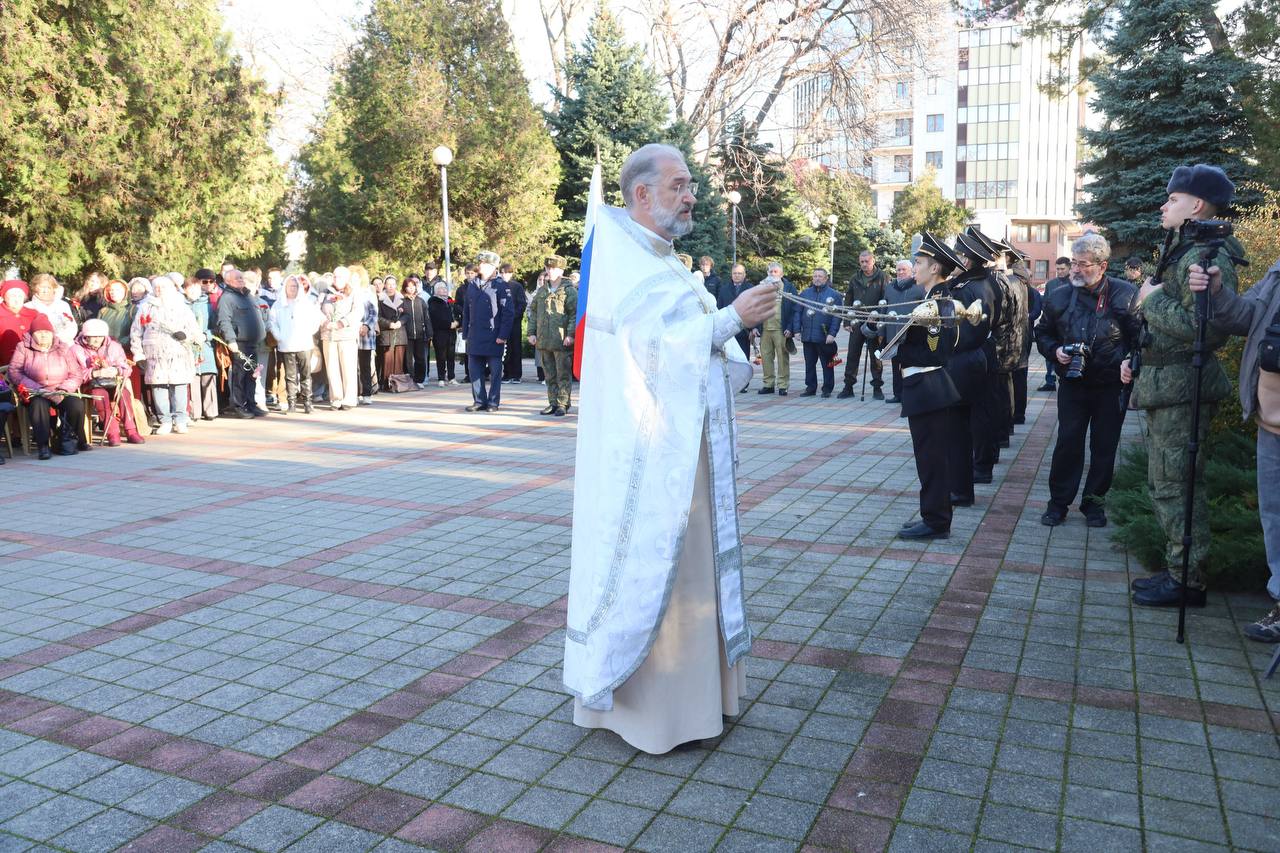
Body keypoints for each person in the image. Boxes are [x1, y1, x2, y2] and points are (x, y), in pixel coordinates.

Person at [565, 142, 775, 753]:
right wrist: (733, 317)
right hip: (649, 457)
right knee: (664, 568)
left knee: (695, 570)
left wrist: (726, 323)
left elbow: (688, 340)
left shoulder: (661, 260)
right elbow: (654, 352)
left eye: (689, 185)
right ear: (641, 194)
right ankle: (657, 714)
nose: (691, 196)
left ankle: (702, 699)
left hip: (684, 447)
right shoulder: (627, 265)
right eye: (679, 185)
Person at [1128, 164, 1247, 608]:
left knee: (1178, 484)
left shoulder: (1209, 257)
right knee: (1166, 482)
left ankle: (1187, 580)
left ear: (1195, 205)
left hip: (1185, 386)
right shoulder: (1182, 249)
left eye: (1172, 199)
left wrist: (1150, 300)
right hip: (1167, 383)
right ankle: (1178, 570)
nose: (1164, 205)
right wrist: (1136, 360)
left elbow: (1208, 328)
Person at [1190, 254, 1280, 640]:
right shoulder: (1279, 270)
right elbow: (1245, 317)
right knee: (1275, 516)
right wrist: (1216, 290)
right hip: (1272, 418)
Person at [1035, 233, 1141, 527]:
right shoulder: (1058, 295)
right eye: (1073, 264)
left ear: (1102, 266)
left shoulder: (1125, 294)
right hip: (1073, 383)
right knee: (1068, 443)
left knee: (1104, 446)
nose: (1076, 270)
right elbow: (1042, 333)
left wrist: (1130, 361)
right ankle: (1058, 504)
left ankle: (1094, 504)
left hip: (1111, 386)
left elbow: (1141, 339)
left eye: (1083, 265)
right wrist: (1056, 351)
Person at [894, 233, 965, 539]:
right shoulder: (930, 299)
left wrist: (902, 349)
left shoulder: (939, 302)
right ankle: (931, 513)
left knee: (933, 458)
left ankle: (937, 521)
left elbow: (938, 350)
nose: (914, 266)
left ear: (935, 267)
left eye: (919, 262)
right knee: (928, 457)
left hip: (929, 386)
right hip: (923, 386)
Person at [947, 232, 999, 504]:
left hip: (967, 356)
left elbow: (963, 332)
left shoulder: (966, 287)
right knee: (980, 415)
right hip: (984, 352)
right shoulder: (988, 282)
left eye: (957, 256)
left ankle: (966, 483)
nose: (953, 260)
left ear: (966, 260)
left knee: (964, 423)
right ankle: (980, 468)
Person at [9, 313, 89, 458]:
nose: (44, 336)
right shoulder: (23, 347)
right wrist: (38, 389)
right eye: (39, 333)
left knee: (76, 405)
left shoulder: (62, 348)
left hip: (60, 389)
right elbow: (14, 372)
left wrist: (64, 388)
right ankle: (43, 445)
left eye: (47, 332)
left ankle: (66, 438)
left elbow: (76, 374)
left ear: (52, 334)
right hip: (36, 392)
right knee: (38, 405)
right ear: (32, 334)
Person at [131, 275, 202, 435]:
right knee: (159, 387)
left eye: (163, 287)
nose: (160, 290)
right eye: (157, 287)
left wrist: (186, 335)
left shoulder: (181, 306)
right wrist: (139, 354)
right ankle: (165, 420)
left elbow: (194, 329)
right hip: (154, 354)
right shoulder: (146, 307)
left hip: (178, 353)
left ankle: (181, 419)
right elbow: (136, 332)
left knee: (179, 386)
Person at [73, 318, 144, 446]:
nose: (97, 340)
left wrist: (116, 371)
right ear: (85, 337)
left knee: (124, 393)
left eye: (100, 336)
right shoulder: (76, 349)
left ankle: (131, 430)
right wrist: (95, 373)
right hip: (91, 384)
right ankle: (112, 432)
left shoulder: (114, 346)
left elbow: (126, 367)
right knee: (101, 396)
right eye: (92, 337)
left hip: (113, 381)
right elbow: (75, 374)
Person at [461, 251, 513, 412]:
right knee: (474, 370)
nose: (480, 266)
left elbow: (508, 312)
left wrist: (503, 335)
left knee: (495, 371)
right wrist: (465, 333)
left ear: (492, 266)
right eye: (480, 263)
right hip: (475, 335)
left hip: (493, 336)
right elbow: (466, 311)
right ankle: (479, 401)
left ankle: (493, 402)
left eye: (483, 264)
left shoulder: (501, 285)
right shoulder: (472, 284)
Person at [527, 255, 576, 416]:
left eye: (553, 268)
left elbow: (573, 314)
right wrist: (531, 332)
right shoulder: (542, 290)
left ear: (561, 270)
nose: (550, 271)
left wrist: (571, 334)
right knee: (549, 374)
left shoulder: (569, 290)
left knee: (563, 373)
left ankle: (563, 403)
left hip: (561, 339)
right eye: (548, 268)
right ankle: (552, 402)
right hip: (544, 339)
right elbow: (533, 313)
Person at [215, 268, 267, 418]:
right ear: (228, 281)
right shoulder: (227, 298)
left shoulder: (247, 295)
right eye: (238, 278)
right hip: (240, 343)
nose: (241, 280)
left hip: (253, 342)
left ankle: (251, 404)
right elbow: (224, 321)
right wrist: (231, 340)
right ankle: (239, 405)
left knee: (252, 375)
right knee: (240, 376)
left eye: (241, 278)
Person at [269, 274, 324, 414]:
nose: (292, 289)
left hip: (304, 344)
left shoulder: (305, 303)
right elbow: (272, 322)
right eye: (290, 286)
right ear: (285, 288)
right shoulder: (278, 304)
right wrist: (279, 336)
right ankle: (291, 402)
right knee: (290, 376)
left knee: (306, 375)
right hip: (286, 345)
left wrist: (310, 331)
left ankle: (307, 402)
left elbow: (315, 319)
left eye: (295, 286)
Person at [839, 251, 888, 399]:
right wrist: (847, 321)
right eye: (862, 262)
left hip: (874, 321)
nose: (864, 264)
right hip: (856, 321)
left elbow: (885, 299)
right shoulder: (855, 277)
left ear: (873, 261)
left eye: (867, 261)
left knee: (875, 356)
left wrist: (878, 318)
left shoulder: (882, 277)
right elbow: (848, 299)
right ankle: (848, 386)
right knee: (852, 354)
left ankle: (877, 388)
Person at [791, 268, 842, 397]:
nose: (817, 278)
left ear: (826, 279)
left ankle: (827, 389)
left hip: (824, 337)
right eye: (815, 276)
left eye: (820, 276)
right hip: (807, 336)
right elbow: (797, 312)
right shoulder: (805, 293)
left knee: (827, 364)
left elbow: (837, 316)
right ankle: (810, 387)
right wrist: (796, 330)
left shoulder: (834, 295)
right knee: (809, 364)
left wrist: (832, 333)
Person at [883, 258, 923, 405]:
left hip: (911, 335)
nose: (900, 272)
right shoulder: (889, 287)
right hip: (893, 334)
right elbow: (884, 309)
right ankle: (897, 394)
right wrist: (881, 333)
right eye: (898, 269)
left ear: (911, 271)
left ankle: (910, 394)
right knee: (895, 367)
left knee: (910, 367)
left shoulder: (919, 287)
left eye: (903, 269)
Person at [321, 267, 361, 410]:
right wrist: (324, 321)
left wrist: (341, 323)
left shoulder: (354, 292)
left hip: (346, 335)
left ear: (346, 278)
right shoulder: (325, 292)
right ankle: (336, 398)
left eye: (339, 277)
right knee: (332, 368)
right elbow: (317, 309)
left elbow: (357, 312)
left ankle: (349, 399)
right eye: (334, 276)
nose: (336, 279)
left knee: (348, 368)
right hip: (329, 335)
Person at [752, 262, 795, 395]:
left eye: (775, 272)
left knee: (783, 357)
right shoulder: (761, 287)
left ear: (781, 274)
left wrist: (790, 328)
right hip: (765, 329)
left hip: (781, 329)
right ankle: (768, 384)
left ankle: (783, 385)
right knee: (766, 357)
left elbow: (794, 310)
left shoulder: (788, 287)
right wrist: (754, 326)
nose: (773, 274)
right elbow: (755, 308)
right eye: (770, 272)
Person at [182, 278, 218, 421]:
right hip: (188, 347)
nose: (193, 292)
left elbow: (216, 326)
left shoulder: (208, 304)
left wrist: (206, 335)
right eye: (189, 289)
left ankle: (211, 410)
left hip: (205, 345)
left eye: (195, 289)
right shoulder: (181, 306)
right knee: (193, 379)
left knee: (208, 377)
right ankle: (195, 412)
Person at [1038, 257, 1072, 391]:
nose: (1060, 271)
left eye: (1062, 269)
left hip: (1069, 326)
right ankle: (1050, 381)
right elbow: (1045, 303)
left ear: (1069, 267)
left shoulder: (1074, 282)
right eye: (1057, 269)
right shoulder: (1051, 284)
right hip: (1054, 325)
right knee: (1051, 352)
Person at [26, 273, 78, 345]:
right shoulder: (28, 307)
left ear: (54, 289)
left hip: (65, 346)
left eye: (49, 287)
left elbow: (72, 327)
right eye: (42, 287)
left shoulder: (63, 305)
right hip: (40, 347)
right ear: (35, 288)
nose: (45, 291)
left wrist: (58, 341)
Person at [400, 276, 431, 388]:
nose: (411, 289)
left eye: (413, 286)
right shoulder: (402, 301)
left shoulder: (421, 301)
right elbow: (399, 317)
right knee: (407, 359)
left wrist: (429, 332)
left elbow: (427, 318)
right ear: (405, 288)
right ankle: (410, 379)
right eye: (408, 287)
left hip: (419, 334)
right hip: (406, 335)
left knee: (420, 358)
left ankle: (419, 380)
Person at [377, 277, 408, 390]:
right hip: (387, 333)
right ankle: (386, 384)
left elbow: (407, 314)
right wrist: (389, 324)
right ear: (385, 285)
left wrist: (400, 322)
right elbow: (378, 317)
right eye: (388, 284)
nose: (391, 286)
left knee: (399, 360)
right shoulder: (379, 300)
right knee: (387, 360)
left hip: (400, 333)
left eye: (393, 284)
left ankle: (398, 384)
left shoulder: (402, 299)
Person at [500, 263, 527, 383]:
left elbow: (522, 304)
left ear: (511, 273)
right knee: (505, 348)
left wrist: (513, 315)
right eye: (501, 272)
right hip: (502, 322)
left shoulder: (517, 286)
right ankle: (506, 373)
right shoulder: (498, 285)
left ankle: (516, 374)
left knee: (515, 348)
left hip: (514, 322)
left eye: (506, 272)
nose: (503, 275)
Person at [427, 281, 458, 386]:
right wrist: (448, 324)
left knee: (451, 356)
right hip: (440, 333)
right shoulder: (433, 302)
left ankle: (451, 377)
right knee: (441, 356)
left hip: (452, 332)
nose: (444, 290)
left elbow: (457, 312)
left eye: (445, 288)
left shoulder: (450, 301)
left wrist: (457, 322)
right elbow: (435, 318)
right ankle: (441, 378)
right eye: (441, 288)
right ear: (436, 290)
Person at [1, 280, 38, 366]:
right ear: (4, 297)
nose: (16, 299)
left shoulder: (34, 314)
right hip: (5, 367)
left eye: (20, 296)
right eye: (12, 295)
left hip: (33, 365)